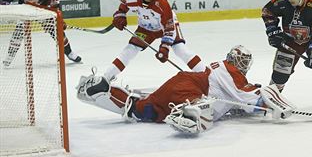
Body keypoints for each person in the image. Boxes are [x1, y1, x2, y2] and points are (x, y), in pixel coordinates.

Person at [76, 45, 296, 134]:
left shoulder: (221, 67)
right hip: (190, 90)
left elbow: (239, 101)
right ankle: (187, 113)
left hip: (180, 82)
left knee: (143, 111)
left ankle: (101, 89)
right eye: (243, 61)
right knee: (201, 112)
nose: (244, 65)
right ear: (237, 61)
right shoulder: (232, 71)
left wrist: (254, 107)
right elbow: (251, 97)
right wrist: (278, 106)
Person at [105, 0, 205, 82]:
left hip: (166, 28)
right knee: (130, 50)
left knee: (179, 49)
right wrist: (120, 17)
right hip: (145, 29)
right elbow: (122, 8)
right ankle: (106, 77)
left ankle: (205, 75)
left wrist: (165, 47)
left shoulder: (162, 4)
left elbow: (169, 28)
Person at [1, 0, 82, 66]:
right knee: (18, 32)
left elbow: (55, 5)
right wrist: (7, 4)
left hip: (41, 12)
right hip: (24, 12)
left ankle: (69, 52)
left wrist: (60, 21)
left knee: (57, 31)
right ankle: (10, 56)